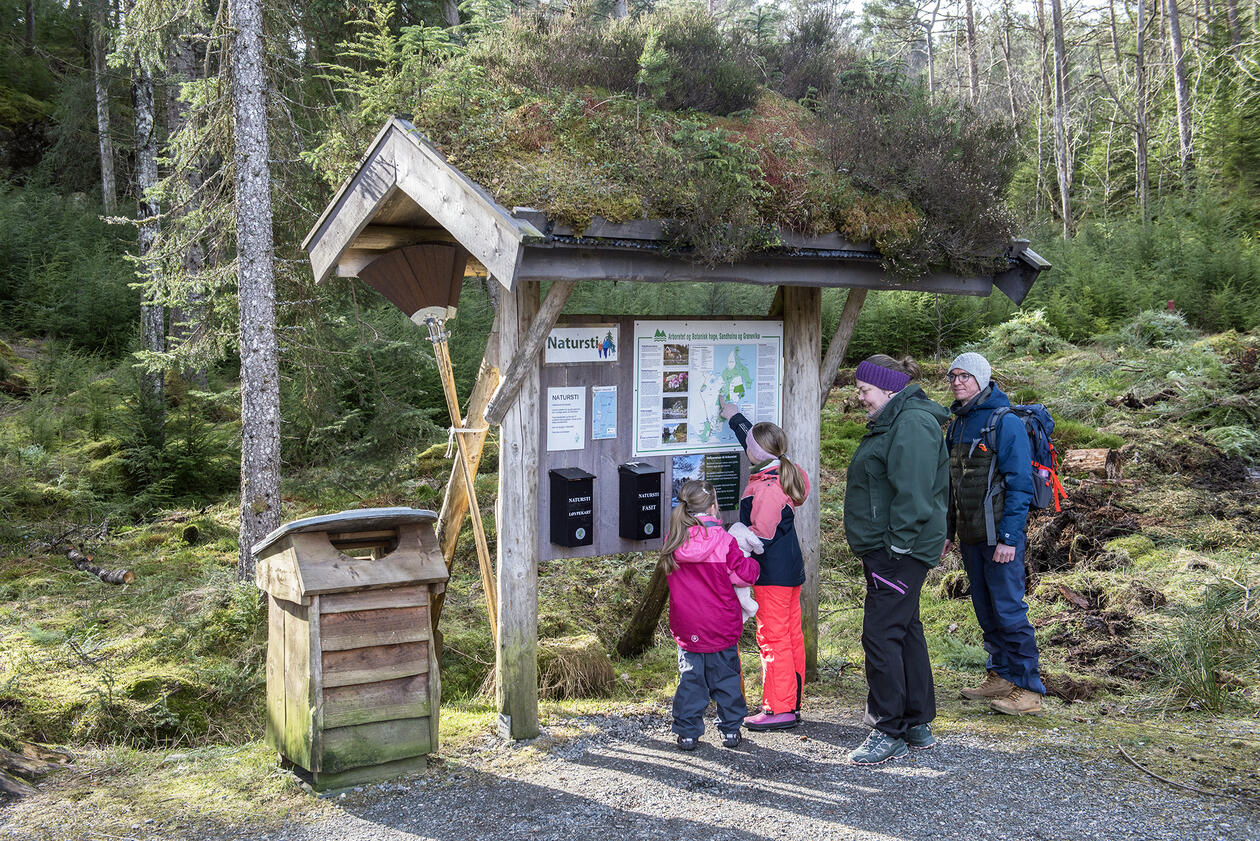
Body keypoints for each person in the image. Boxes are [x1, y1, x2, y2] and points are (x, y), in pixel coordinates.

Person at [843, 354, 950, 765]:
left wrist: (898, 546)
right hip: (891, 548)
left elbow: (915, 493)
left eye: (865, 390)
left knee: (881, 634)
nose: (860, 397)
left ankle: (888, 729)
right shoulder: (896, 419)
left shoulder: (912, 423)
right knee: (904, 629)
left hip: (897, 551)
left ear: (889, 388)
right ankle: (916, 722)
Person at [943, 352, 1046, 715]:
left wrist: (1009, 538)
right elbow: (950, 485)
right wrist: (948, 532)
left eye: (965, 376)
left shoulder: (1005, 422)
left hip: (1000, 537)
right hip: (971, 535)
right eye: (953, 376)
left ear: (982, 379)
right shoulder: (957, 425)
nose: (957, 382)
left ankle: (1029, 690)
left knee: (1009, 611)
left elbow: (1020, 485)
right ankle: (1000, 674)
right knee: (986, 610)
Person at [719, 405, 810, 731]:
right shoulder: (783, 470)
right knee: (791, 635)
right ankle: (792, 703)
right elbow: (753, 438)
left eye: (749, 445)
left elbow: (760, 538)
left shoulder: (768, 490)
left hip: (771, 575)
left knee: (773, 638)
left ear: (755, 452)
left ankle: (779, 708)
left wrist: (733, 537)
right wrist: (733, 417)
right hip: (789, 570)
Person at [660, 480, 761, 751]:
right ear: (713, 507)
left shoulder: (674, 539)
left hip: (687, 625)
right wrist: (753, 563)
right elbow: (743, 576)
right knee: (726, 678)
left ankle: (687, 733)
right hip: (721, 624)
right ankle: (730, 730)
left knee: (690, 680)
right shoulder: (724, 540)